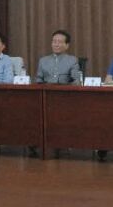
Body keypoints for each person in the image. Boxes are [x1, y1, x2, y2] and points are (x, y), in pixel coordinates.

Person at [29, 30, 81, 159]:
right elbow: (38, 80)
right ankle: (37, 141)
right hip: (45, 95)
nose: (56, 44)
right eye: (54, 41)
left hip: (64, 96)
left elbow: (76, 81)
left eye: (60, 42)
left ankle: (63, 141)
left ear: (67, 45)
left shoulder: (72, 60)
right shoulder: (43, 60)